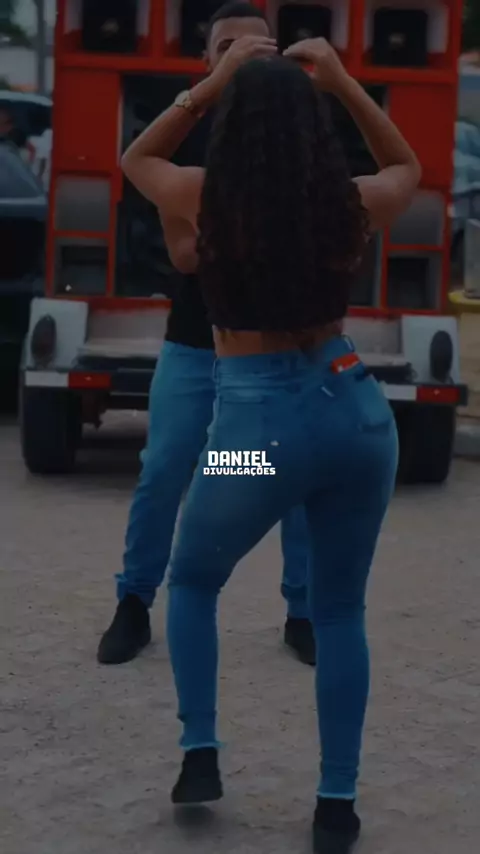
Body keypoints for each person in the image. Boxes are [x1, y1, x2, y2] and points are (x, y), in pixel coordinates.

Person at [121, 28, 421, 854]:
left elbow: (135, 159)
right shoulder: (348, 201)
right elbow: (408, 167)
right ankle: (336, 804)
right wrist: (347, 83)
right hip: (355, 414)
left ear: (232, 120)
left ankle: (201, 751)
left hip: (255, 433)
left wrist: (211, 82)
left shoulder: (204, 196)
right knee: (341, 609)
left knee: (192, 579)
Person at [97, 2, 315, 669]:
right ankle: (134, 603)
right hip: (197, 342)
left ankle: (303, 611)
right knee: (165, 468)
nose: (240, 58)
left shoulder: (293, 130)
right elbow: (186, 255)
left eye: (255, 49)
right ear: (205, 60)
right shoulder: (187, 137)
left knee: (289, 475)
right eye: (226, 48)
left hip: (273, 351)